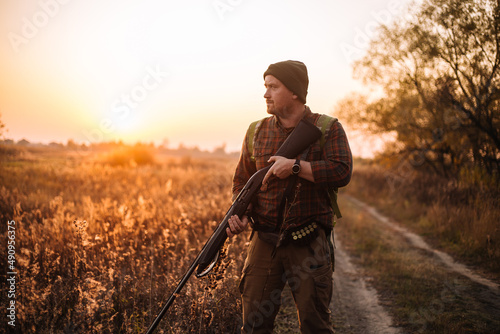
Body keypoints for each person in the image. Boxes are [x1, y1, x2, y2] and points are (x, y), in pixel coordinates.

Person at [226, 60, 352, 334]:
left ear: (295, 92)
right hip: (263, 239)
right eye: (265, 86)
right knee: (254, 325)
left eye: (273, 86)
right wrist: (242, 213)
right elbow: (241, 181)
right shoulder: (256, 131)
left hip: (307, 241)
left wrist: (296, 167)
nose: (266, 93)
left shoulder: (327, 128)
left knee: (314, 324)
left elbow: (342, 171)